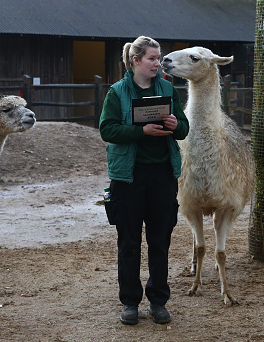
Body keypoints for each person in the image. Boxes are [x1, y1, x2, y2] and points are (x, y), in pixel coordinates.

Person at [99, 36, 189, 325]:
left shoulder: (167, 88)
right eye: (151, 58)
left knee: (160, 240)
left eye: (158, 57)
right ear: (135, 61)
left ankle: (158, 301)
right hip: (128, 178)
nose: (157, 63)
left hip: (162, 176)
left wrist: (176, 125)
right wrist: (141, 131)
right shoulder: (117, 92)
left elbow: (184, 129)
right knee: (128, 242)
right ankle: (130, 302)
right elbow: (107, 130)